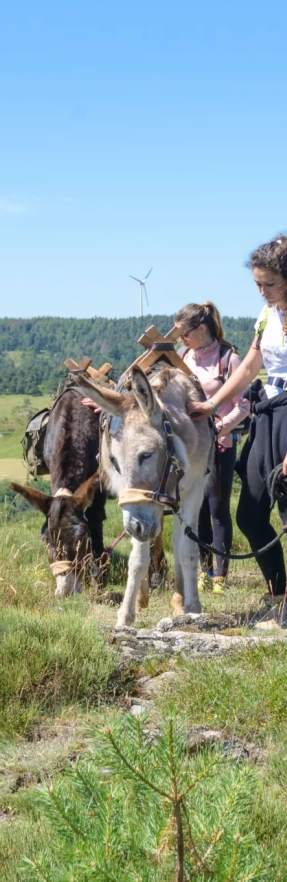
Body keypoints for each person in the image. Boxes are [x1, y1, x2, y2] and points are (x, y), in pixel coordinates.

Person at [189, 235, 287, 608]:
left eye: (270, 284)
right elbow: (249, 366)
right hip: (269, 412)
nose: (262, 291)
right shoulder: (268, 314)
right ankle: (279, 596)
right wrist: (212, 404)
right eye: (257, 284)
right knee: (249, 514)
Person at [174, 302, 249, 595]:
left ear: (202, 329)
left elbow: (243, 407)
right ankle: (203, 568)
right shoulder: (183, 357)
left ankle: (220, 574)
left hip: (220, 444)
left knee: (218, 508)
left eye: (184, 334)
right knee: (198, 507)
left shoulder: (228, 359)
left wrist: (219, 427)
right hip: (192, 448)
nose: (181, 340)